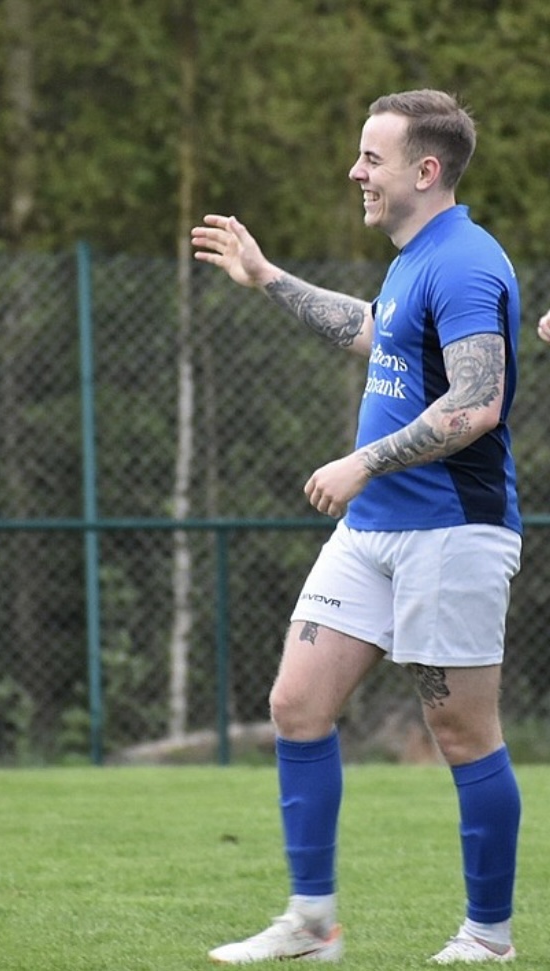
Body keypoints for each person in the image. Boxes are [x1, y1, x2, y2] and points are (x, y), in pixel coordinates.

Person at [191, 89, 522, 965]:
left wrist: (364, 462)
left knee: (463, 735)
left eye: (372, 158)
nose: (355, 172)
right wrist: (267, 277)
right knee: (296, 705)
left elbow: (479, 401)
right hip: (373, 531)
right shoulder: (414, 260)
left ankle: (488, 936)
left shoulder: (465, 262)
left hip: (451, 531)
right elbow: (376, 332)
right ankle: (312, 925)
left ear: (426, 170)